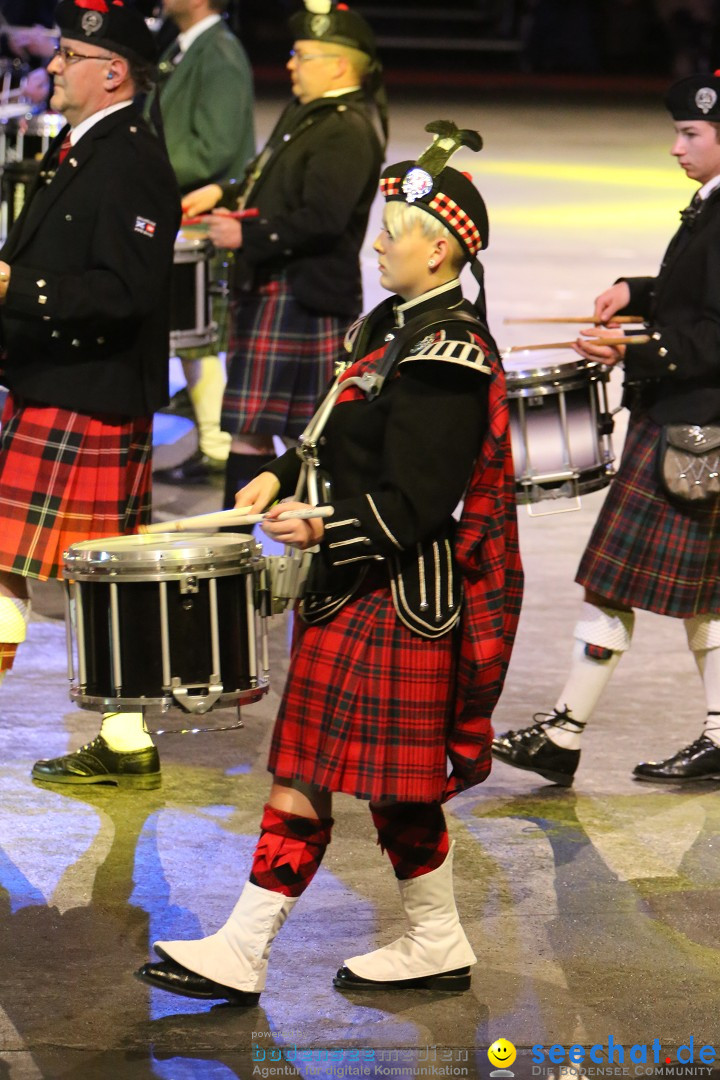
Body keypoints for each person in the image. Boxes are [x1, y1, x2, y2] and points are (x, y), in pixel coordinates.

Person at [134, 122, 523, 1005]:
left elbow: (416, 503)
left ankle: (252, 946)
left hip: (394, 594)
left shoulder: (447, 354)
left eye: (395, 231)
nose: (379, 243)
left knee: (326, 775)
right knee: (380, 784)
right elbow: (331, 428)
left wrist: (324, 530)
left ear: (441, 248)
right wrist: (280, 472)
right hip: (358, 588)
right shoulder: (388, 324)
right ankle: (431, 938)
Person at [493, 71, 720, 788]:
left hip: (693, 423)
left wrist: (635, 346)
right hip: (689, 420)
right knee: (707, 597)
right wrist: (637, 292)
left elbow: (713, 336)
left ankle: (563, 734)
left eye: (691, 135)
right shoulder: (711, 204)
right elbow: (699, 300)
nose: (675, 148)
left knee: (609, 585)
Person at [0, 0, 180, 786]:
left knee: (67, 574)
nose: (52, 65)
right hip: (60, 384)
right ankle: (129, 736)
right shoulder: (86, 147)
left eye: (67, 55)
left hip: (89, 393)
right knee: (95, 580)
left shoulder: (131, 157)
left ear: (112, 72)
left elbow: (129, 291)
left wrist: (19, 285)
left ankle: (128, 734)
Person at [180, 0, 387, 511]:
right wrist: (225, 194)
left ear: (338, 65)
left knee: (305, 439)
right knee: (250, 432)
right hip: (282, 291)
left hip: (304, 296)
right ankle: (237, 559)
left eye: (302, 55)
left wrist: (245, 237)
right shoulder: (310, 114)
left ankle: (314, 560)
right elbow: (271, 178)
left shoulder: (346, 127)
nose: (290, 64)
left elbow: (323, 219)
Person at [145, 0, 255, 483]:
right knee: (191, 335)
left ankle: (219, 444)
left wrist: (139, 161)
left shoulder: (221, 53)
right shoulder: (184, 45)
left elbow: (216, 146)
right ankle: (213, 439)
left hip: (202, 213)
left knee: (199, 335)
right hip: (182, 206)